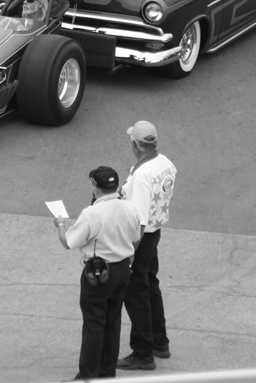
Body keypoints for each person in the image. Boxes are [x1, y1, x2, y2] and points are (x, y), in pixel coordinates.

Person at [54, 166, 142, 380]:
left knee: (94, 324)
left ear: (95, 187)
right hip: (122, 269)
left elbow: (69, 243)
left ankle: (88, 375)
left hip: (99, 272)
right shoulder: (130, 208)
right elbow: (137, 238)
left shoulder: (92, 213)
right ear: (117, 186)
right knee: (113, 323)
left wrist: (60, 225)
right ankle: (106, 373)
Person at [117, 121, 177, 371]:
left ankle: (142, 352)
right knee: (151, 285)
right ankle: (159, 341)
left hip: (140, 238)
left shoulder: (142, 175)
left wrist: (129, 252)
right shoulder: (166, 164)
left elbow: (139, 220)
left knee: (136, 293)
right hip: (155, 233)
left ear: (136, 145)